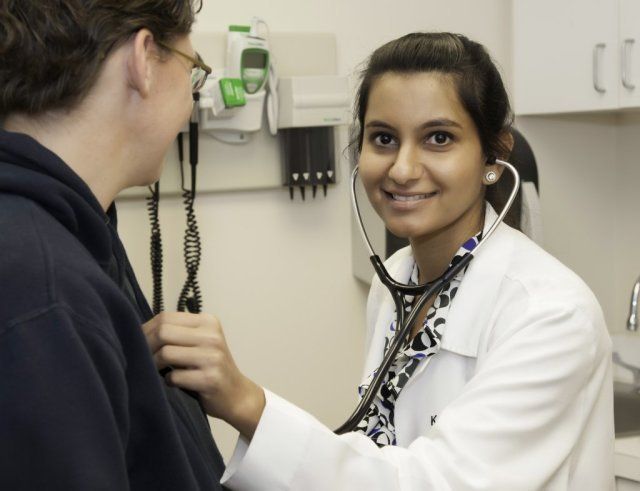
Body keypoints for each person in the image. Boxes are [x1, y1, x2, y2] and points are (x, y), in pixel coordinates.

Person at [147, 32, 616, 490]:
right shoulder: (395, 281)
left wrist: (245, 401)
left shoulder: (552, 314)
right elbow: (377, 452)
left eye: (438, 138)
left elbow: (435, 482)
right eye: (384, 139)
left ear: (493, 155)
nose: (403, 169)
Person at [0, 1, 228, 488]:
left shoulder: (68, 232)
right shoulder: (42, 293)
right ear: (144, 59)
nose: (190, 102)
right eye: (194, 72)